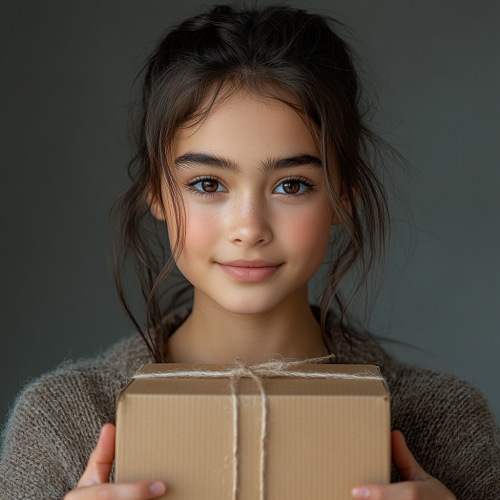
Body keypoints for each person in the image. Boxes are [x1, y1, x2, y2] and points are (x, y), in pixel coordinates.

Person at [1, 3, 499, 500]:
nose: (249, 229)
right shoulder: (63, 424)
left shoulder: (442, 424)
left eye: (291, 186)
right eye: (207, 183)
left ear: (344, 195)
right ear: (155, 190)